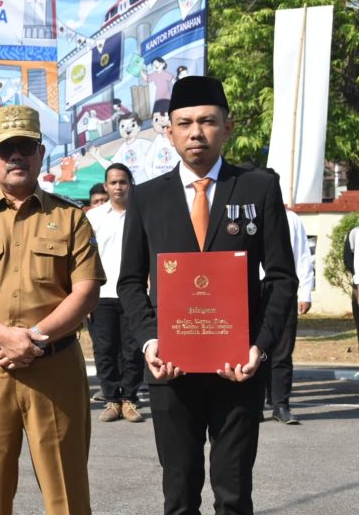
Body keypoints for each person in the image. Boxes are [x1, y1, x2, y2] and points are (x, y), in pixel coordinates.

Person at [117, 76, 297, 515]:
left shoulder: (258, 188)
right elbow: (129, 281)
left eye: (208, 122)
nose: (196, 132)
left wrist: (259, 346)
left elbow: (280, 278)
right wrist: (150, 341)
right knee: (178, 496)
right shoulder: (148, 197)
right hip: (171, 368)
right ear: (170, 131)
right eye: (185, 123)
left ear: (227, 127)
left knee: (234, 495)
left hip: (238, 367)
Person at [0, 105, 105, 514]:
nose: (16, 156)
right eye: (5, 147)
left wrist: (33, 339)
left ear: (41, 153)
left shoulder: (70, 218)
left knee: (67, 493)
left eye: (25, 146)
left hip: (54, 365)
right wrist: (4, 337)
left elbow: (86, 292)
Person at [86, 164, 144, 423]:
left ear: (130, 183)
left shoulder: (143, 213)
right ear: (106, 186)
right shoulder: (94, 217)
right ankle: (111, 398)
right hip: (102, 293)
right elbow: (84, 258)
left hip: (135, 293)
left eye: (122, 181)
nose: (118, 186)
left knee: (132, 350)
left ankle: (130, 399)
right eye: (113, 182)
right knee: (105, 349)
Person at [266, 209, 313, 424]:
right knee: (251, 349)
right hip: (251, 288)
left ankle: (280, 405)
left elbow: (302, 256)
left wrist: (305, 293)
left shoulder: (291, 219)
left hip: (284, 288)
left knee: (283, 350)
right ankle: (254, 404)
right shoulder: (246, 213)